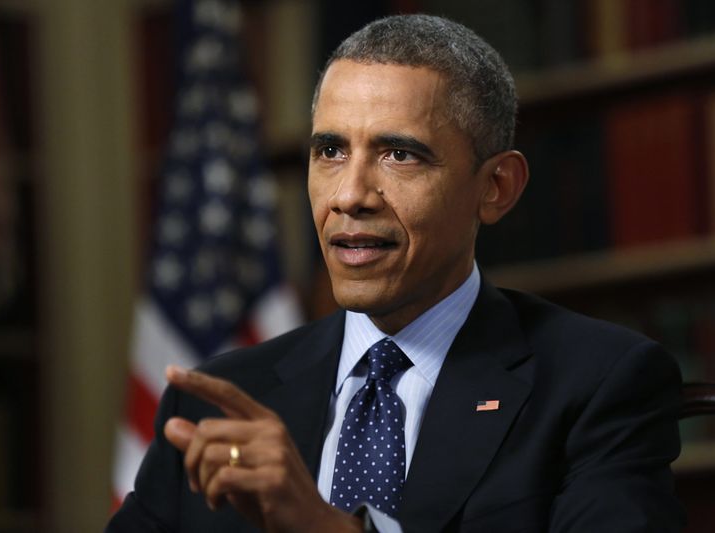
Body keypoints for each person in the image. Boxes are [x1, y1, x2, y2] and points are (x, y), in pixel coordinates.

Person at [107, 14, 684, 532]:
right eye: (330, 151)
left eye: (399, 155)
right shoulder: (219, 403)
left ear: (495, 187)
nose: (350, 195)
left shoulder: (599, 384)